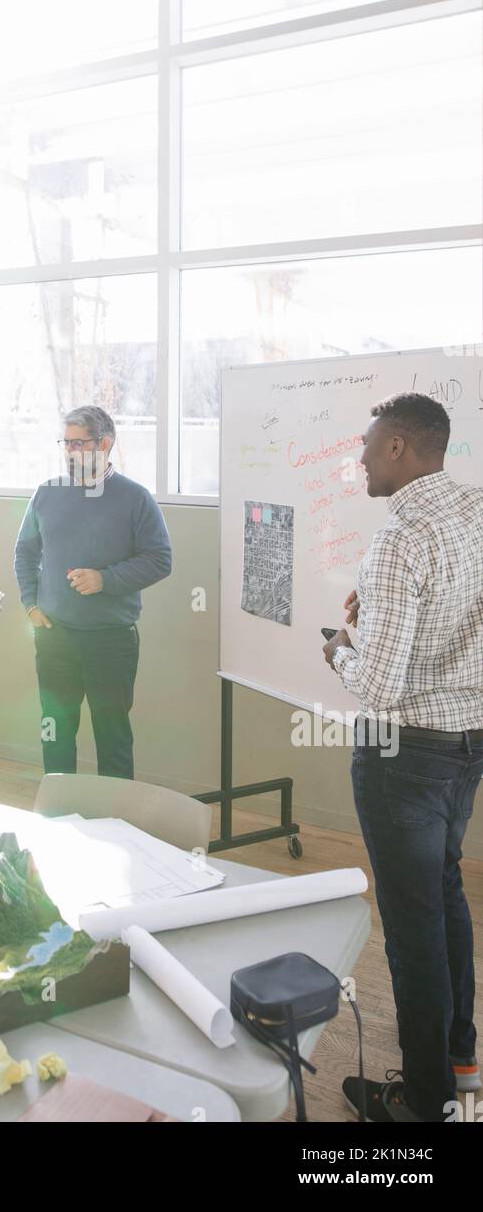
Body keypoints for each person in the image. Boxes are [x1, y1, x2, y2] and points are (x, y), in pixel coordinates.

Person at [322, 393, 483, 1122]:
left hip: (404, 757)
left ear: (398, 448)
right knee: (445, 892)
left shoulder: (400, 539)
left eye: (368, 442)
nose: (358, 456)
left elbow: (381, 688)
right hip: (467, 746)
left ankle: (423, 1105)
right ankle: (459, 1057)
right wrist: (384, 616)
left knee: (413, 929)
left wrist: (339, 649)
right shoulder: (476, 512)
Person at [14, 404, 171, 780]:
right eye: (65, 444)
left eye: (79, 444)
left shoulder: (136, 498)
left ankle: (115, 826)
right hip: (54, 636)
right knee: (55, 732)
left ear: (105, 443)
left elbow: (160, 560)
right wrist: (30, 603)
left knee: (112, 735)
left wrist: (105, 579)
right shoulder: (47, 493)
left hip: (110, 640)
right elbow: (25, 550)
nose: (70, 452)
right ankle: (56, 816)